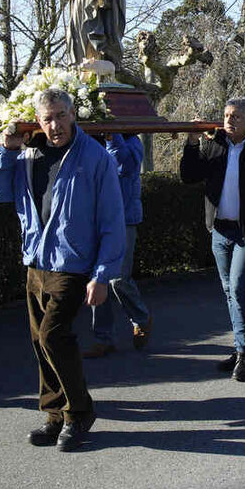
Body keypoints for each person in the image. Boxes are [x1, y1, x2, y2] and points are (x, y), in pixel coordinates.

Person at [0, 88, 125, 451]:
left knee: (53, 336)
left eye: (61, 115)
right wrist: (6, 150)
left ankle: (79, 412)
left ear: (74, 113)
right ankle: (54, 414)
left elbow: (112, 218)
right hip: (36, 260)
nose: (55, 124)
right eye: (47, 118)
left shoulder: (95, 157)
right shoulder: (28, 154)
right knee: (39, 341)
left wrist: (102, 273)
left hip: (73, 264)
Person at [180, 97, 245, 381]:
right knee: (229, 291)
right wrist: (191, 142)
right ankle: (241, 347)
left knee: (238, 288)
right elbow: (189, 176)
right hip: (220, 231)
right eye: (226, 115)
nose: (229, 121)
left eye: (236, 116)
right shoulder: (216, 145)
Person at [85, 133, 153, 358]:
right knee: (98, 279)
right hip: (96, 220)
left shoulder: (131, 139)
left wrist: (112, 137)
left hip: (124, 219)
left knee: (118, 278)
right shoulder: (88, 140)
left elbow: (125, 167)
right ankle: (103, 338)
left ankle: (141, 318)